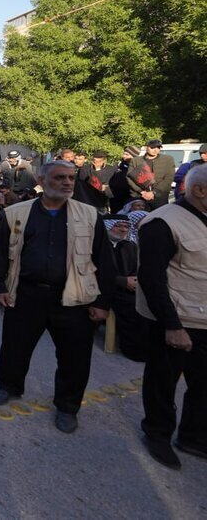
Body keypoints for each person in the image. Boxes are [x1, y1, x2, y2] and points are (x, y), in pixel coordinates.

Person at [0, 161, 115, 434]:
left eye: (71, 177)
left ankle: (68, 406)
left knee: (74, 357)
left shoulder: (90, 216)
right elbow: (1, 255)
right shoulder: (16, 214)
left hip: (75, 298)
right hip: (27, 294)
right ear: (43, 180)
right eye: (60, 178)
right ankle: (9, 386)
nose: (67, 182)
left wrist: (103, 303)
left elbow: (105, 261)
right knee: (14, 347)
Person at [136, 163, 207, 469]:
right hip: (176, 321)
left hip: (204, 320)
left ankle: (192, 436)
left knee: (204, 385)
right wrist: (172, 326)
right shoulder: (161, 223)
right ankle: (158, 435)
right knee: (162, 383)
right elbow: (151, 280)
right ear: (199, 190)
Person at [101, 216, 147, 362]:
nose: (122, 229)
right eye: (118, 225)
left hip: (128, 287)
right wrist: (122, 281)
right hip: (103, 289)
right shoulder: (97, 245)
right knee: (131, 307)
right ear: (107, 226)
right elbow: (93, 273)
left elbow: (137, 269)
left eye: (126, 226)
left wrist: (136, 280)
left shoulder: (130, 246)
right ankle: (134, 350)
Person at [142, 139, 176, 210]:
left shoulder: (167, 159)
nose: (155, 150)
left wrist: (154, 192)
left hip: (160, 196)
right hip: (142, 196)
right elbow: (131, 177)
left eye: (158, 148)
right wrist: (142, 192)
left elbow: (169, 178)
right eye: (152, 147)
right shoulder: (138, 160)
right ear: (146, 147)